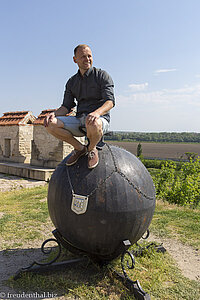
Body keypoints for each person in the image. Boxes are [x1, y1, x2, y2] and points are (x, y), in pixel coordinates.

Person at [44, 44, 115, 169]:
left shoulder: (102, 76)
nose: (87, 59)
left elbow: (110, 102)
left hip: (99, 121)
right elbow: (66, 107)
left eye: (89, 56)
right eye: (83, 56)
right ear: (75, 59)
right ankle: (80, 148)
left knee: (93, 122)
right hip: (80, 120)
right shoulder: (71, 82)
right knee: (50, 124)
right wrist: (53, 114)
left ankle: (92, 149)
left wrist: (97, 113)